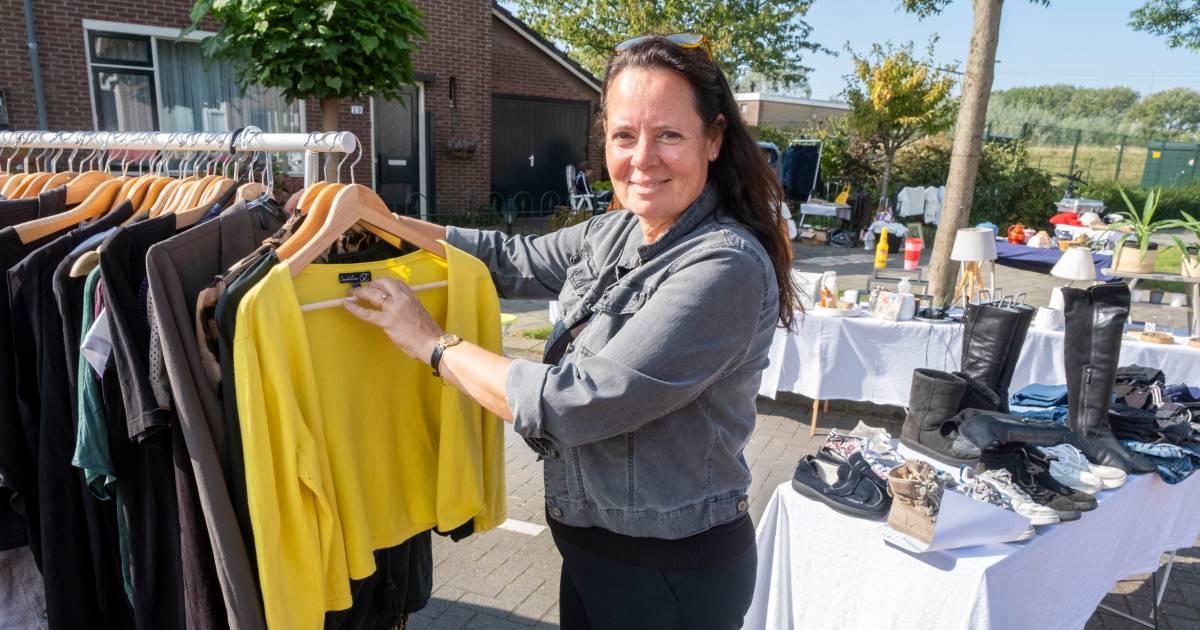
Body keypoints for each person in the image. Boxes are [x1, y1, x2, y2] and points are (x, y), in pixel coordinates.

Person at [342, 33, 799, 630]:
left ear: (712, 140)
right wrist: (378, 219)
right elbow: (507, 257)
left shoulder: (724, 266)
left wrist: (431, 343)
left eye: (668, 135)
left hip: (670, 572)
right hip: (594, 552)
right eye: (624, 135)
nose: (642, 158)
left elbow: (575, 403)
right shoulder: (619, 230)